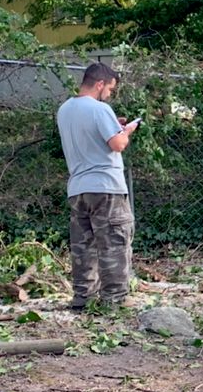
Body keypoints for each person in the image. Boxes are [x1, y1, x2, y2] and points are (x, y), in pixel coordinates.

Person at [56, 63, 140, 309]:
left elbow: (90, 135)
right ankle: (114, 301)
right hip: (106, 186)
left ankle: (83, 298)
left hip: (78, 187)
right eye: (110, 89)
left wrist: (113, 124)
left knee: (83, 246)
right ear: (100, 83)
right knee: (114, 243)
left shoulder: (64, 109)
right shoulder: (100, 109)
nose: (110, 94)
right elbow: (117, 144)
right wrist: (127, 130)